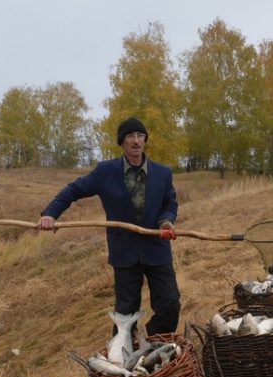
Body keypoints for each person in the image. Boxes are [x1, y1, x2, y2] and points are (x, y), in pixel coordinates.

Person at [38, 116, 181, 336]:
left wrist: (165, 220)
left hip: (157, 249)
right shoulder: (105, 171)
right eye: (130, 136)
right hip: (124, 252)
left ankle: (152, 345)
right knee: (125, 314)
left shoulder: (162, 172)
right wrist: (50, 214)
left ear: (145, 140)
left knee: (170, 304)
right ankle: (123, 359)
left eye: (140, 136)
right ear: (122, 142)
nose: (136, 141)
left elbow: (169, 201)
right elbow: (73, 190)